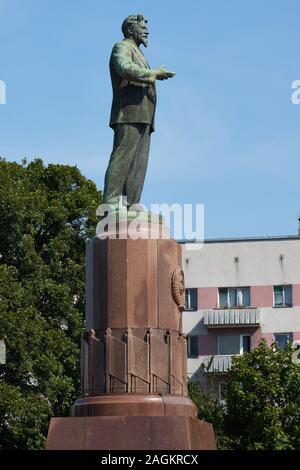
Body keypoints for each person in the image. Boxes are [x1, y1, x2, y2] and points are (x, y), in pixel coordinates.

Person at [103, 14, 175, 209]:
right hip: (128, 112)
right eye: (142, 28)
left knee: (139, 162)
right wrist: (153, 74)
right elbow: (125, 68)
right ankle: (110, 203)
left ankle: (132, 203)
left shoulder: (140, 53)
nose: (147, 31)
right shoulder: (122, 47)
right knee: (123, 156)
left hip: (145, 115)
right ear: (130, 29)